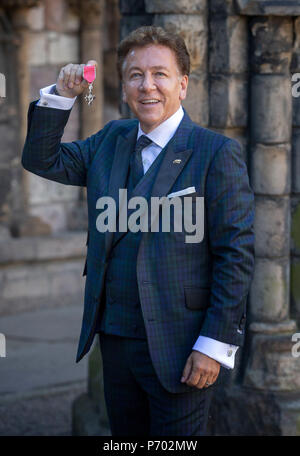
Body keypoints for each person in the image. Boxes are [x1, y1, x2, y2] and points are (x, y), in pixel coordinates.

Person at [22, 26, 255, 436]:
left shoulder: (216, 152)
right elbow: (43, 160)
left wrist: (213, 346)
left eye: (160, 74)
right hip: (116, 343)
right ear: (125, 86)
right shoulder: (111, 139)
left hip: (182, 346)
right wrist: (62, 94)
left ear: (182, 85)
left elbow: (235, 256)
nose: (147, 86)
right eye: (135, 75)